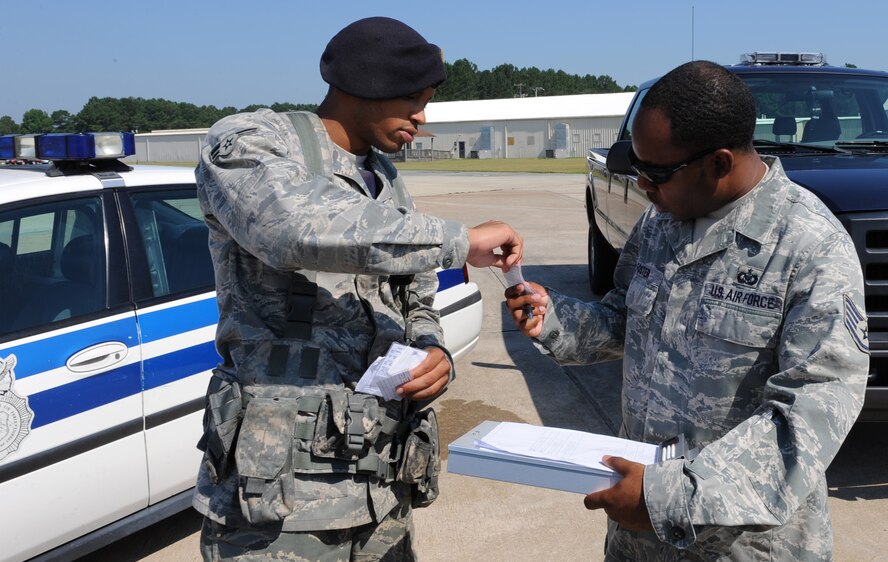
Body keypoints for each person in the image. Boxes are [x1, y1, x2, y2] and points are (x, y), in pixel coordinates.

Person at [506, 60, 868, 560]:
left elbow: (811, 415)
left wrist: (666, 498)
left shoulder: (809, 246)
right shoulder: (662, 224)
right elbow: (625, 318)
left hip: (742, 543)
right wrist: (556, 317)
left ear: (719, 163)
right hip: (640, 536)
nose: (643, 187)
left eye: (654, 173)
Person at [192, 16, 523, 561]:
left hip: (378, 479)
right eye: (412, 99)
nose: (423, 116)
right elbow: (292, 229)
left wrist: (430, 345)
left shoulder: (384, 174)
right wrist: (462, 241)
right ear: (366, 86)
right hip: (282, 499)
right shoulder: (251, 142)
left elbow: (412, 284)